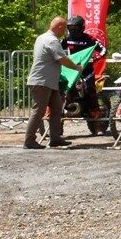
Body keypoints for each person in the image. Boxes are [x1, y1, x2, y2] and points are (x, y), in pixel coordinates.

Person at [24, 17, 82, 149]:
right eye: (65, 29)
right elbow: (62, 59)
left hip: (50, 82)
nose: (65, 33)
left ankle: (55, 138)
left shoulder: (41, 37)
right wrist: (77, 67)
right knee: (39, 110)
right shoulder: (52, 40)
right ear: (60, 27)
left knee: (56, 108)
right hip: (42, 81)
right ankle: (29, 140)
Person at [61, 14, 108, 117]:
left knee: (90, 90)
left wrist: (97, 57)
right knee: (63, 87)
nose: (73, 30)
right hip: (72, 69)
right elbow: (57, 49)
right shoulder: (67, 39)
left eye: (75, 27)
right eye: (70, 28)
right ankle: (59, 115)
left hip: (87, 70)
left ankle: (96, 115)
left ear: (81, 27)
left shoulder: (89, 39)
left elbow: (103, 49)